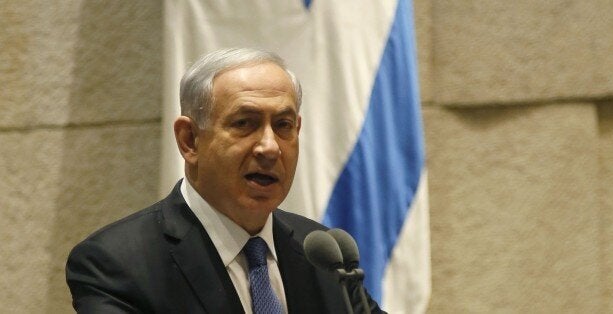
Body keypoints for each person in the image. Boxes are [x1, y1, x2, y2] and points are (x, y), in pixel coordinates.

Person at [66, 47, 383, 313]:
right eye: (245, 123)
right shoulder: (115, 263)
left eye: (284, 125)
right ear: (190, 140)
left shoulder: (323, 257)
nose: (270, 147)